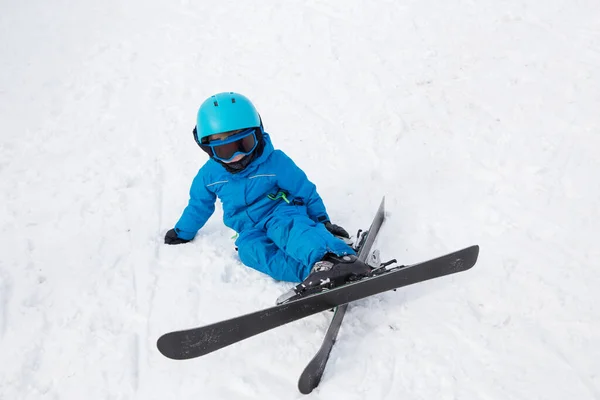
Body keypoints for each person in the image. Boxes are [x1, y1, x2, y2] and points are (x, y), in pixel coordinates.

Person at [164, 92, 370, 296]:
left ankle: (335, 258)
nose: (238, 156)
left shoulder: (275, 162)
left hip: (279, 212)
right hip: (248, 228)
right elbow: (198, 206)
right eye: (225, 151)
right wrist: (183, 232)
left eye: (244, 144)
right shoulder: (209, 175)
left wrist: (322, 221)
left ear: (258, 134)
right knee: (250, 251)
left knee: (290, 231)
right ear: (208, 149)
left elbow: (304, 190)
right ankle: (315, 273)